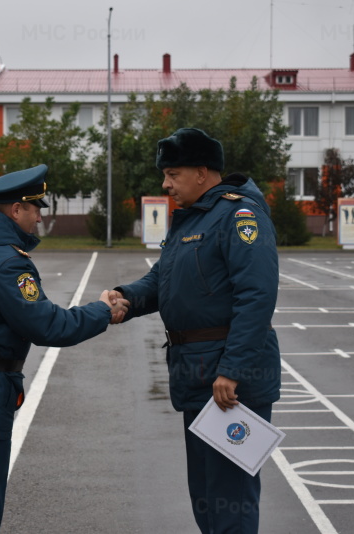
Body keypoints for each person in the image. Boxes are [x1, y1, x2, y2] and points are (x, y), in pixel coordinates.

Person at [0, 164, 129, 534]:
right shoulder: (8, 264)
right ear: (15, 210)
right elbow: (49, 325)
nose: (40, 217)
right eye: (35, 208)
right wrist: (102, 310)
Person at [109, 128, 281, 534]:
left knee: (231, 500)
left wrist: (233, 369)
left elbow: (256, 297)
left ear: (202, 172)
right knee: (206, 496)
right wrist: (124, 298)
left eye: (172, 174)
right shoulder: (193, 219)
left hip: (228, 383)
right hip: (196, 374)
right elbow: (163, 279)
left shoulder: (240, 215)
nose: (165, 185)